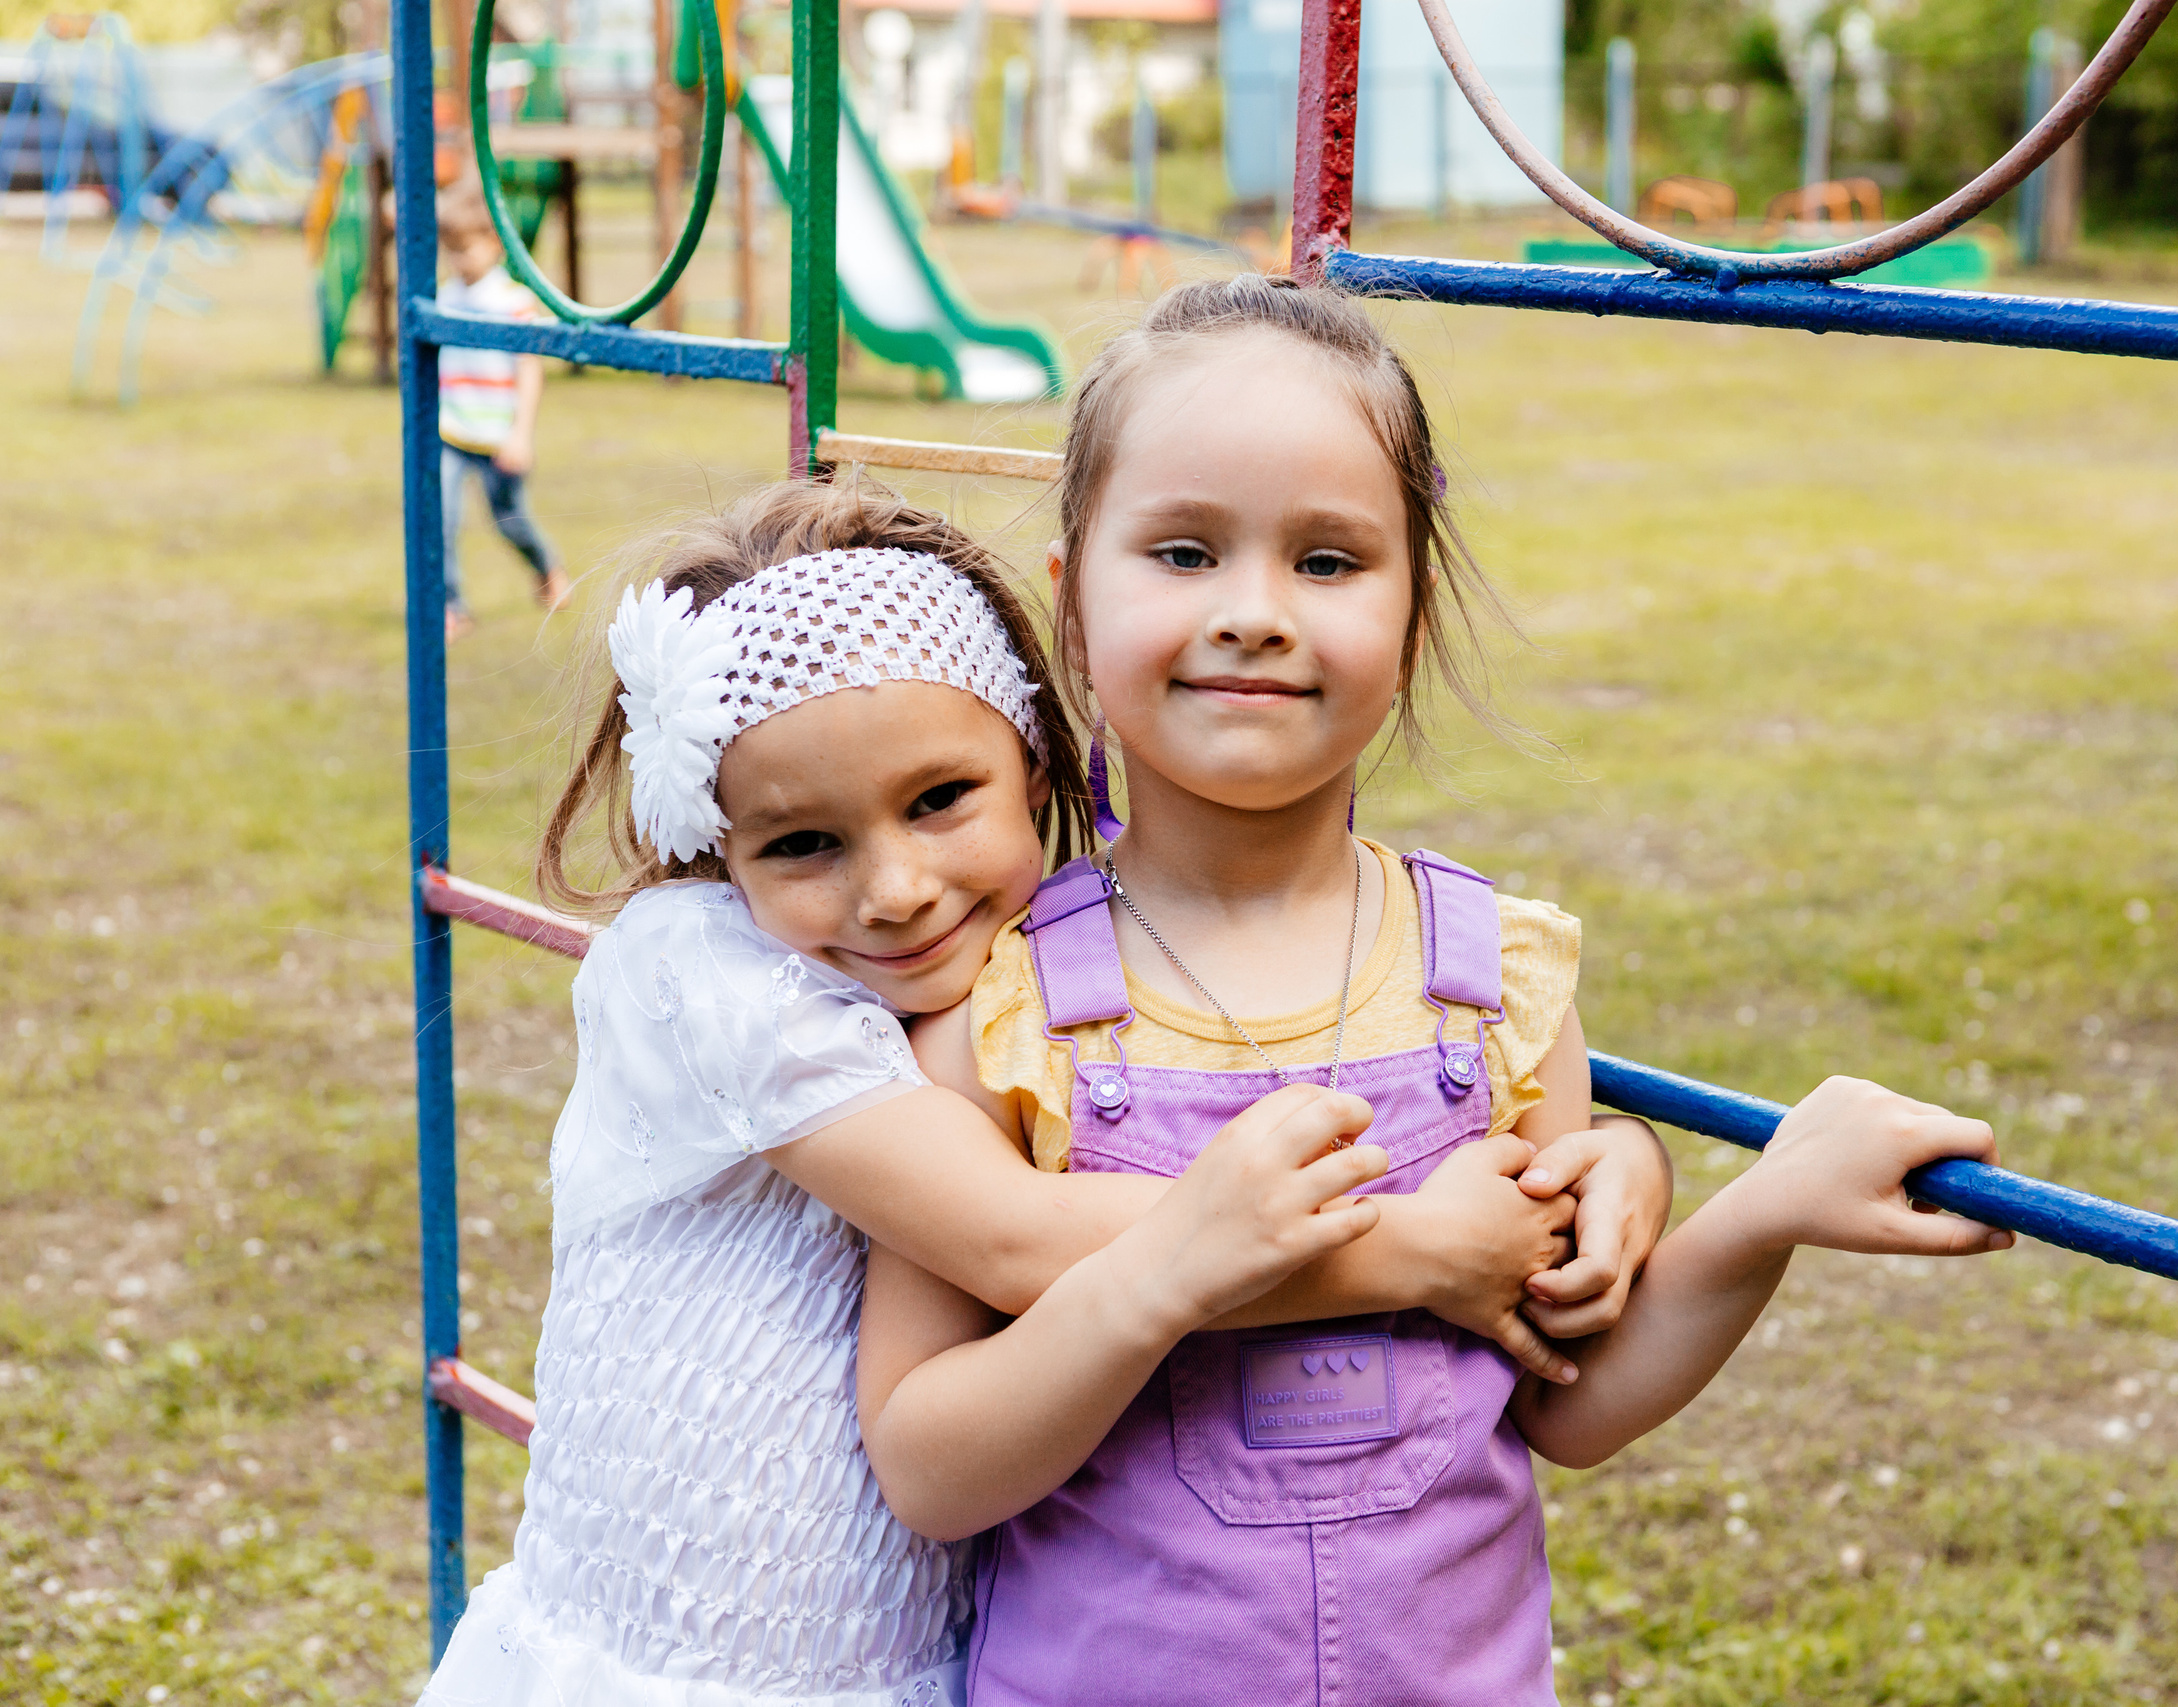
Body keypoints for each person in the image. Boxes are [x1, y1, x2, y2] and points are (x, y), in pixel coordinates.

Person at [854, 274, 2018, 1707]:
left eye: (1331, 561)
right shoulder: (997, 1007)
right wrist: (1159, 1276)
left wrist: (1764, 1209)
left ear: (1413, 607)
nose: (1257, 613)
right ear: (1075, 605)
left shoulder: (1494, 983)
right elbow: (925, 1463)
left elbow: (1568, 1397)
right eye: (1183, 550)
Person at [417, 479, 1644, 1707]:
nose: (894, 889)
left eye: (940, 801)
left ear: (1032, 757)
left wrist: (1624, 1159)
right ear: (715, 846)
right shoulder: (704, 975)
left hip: (914, 1656)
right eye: (802, 844)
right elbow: (1015, 1237)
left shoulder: (1009, 997)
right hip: (684, 1667)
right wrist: (1417, 1250)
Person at [435, 189, 569, 640]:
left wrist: (521, 435)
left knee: (510, 521)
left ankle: (546, 566)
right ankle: (452, 606)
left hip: (498, 435)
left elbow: (529, 369)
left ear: (493, 244)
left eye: (464, 249)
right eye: (449, 249)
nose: (457, 260)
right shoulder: (442, 297)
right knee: (440, 520)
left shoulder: (512, 302)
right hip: (451, 430)